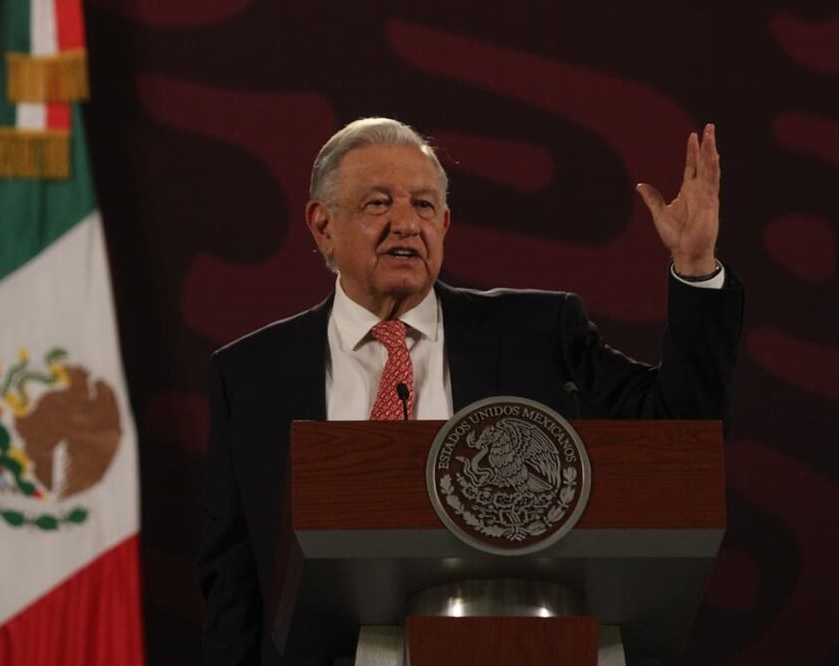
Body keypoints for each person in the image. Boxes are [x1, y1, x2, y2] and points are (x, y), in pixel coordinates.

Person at [198, 117, 743, 665]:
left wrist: (695, 268)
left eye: (425, 206)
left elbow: (680, 424)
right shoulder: (249, 377)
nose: (406, 224)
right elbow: (233, 587)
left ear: (446, 224)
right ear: (322, 225)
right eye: (379, 203)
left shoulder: (539, 333)